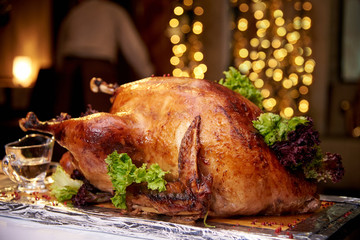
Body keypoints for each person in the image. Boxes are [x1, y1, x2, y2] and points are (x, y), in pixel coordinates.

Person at [55, 0, 154, 115]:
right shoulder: (113, 11)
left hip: (69, 70)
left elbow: (60, 48)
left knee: (64, 121)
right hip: (98, 70)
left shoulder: (74, 13)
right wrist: (149, 75)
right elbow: (133, 47)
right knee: (101, 121)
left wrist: (61, 72)